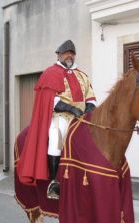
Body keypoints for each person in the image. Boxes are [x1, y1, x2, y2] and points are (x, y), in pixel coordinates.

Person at [16, 40, 96, 200]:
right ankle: (54, 182)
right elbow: (51, 101)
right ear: (59, 55)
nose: (70, 56)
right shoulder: (50, 73)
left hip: (81, 118)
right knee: (55, 139)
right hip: (60, 117)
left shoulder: (82, 75)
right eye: (66, 53)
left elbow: (91, 97)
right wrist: (72, 109)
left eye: (72, 54)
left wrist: (88, 108)